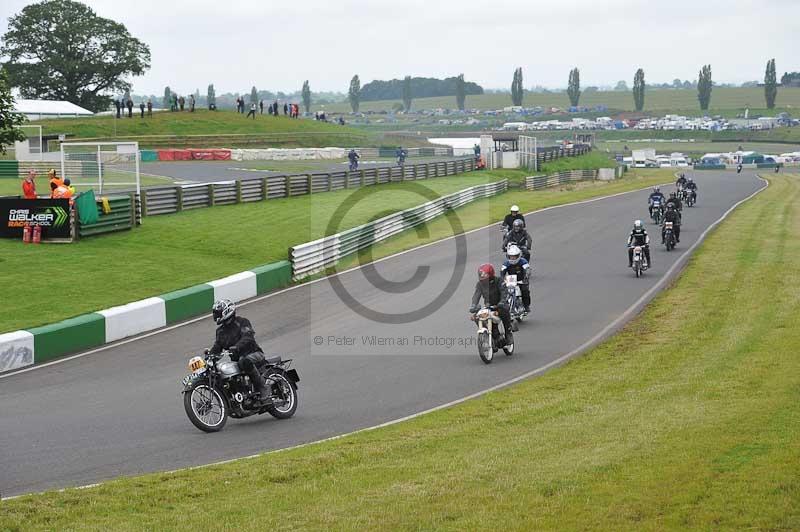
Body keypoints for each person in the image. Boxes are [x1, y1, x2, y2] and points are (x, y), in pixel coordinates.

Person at [206, 299, 268, 397]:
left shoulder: (242, 322)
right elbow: (217, 346)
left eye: (217, 313)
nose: (215, 316)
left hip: (254, 353)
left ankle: (262, 387)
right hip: (237, 360)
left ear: (226, 311)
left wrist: (236, 347)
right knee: (219, 371)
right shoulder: (220, 331)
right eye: (215, 313)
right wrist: (210, 356)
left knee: (244, 362)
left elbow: (248, 336)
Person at [469, 264, 513, 347]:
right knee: (477, 316)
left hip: (500, 304)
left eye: (484, 274)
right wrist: (473, 305)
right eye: (480, 274)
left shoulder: (499, 280)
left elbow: (504, 292)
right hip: (489, 306)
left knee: (503, 311)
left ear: (490, 273)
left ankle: (508, 332)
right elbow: (476, 295)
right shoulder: (480, 284)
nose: (482, 276)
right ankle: (492, 334)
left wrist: (502, 302)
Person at [500, 245, 531, 313]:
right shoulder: (506, 263)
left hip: (522, 280)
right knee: (504, 292)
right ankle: (506, 305)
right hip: (511, 279)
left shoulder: (523, 261)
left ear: (518, 256)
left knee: (525, 291)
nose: (512, 258)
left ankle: (526, 306)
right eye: (511, 256)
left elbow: (527, 271)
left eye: (514, 256)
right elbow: (502, 272)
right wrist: (502, 280)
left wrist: (526, 278)